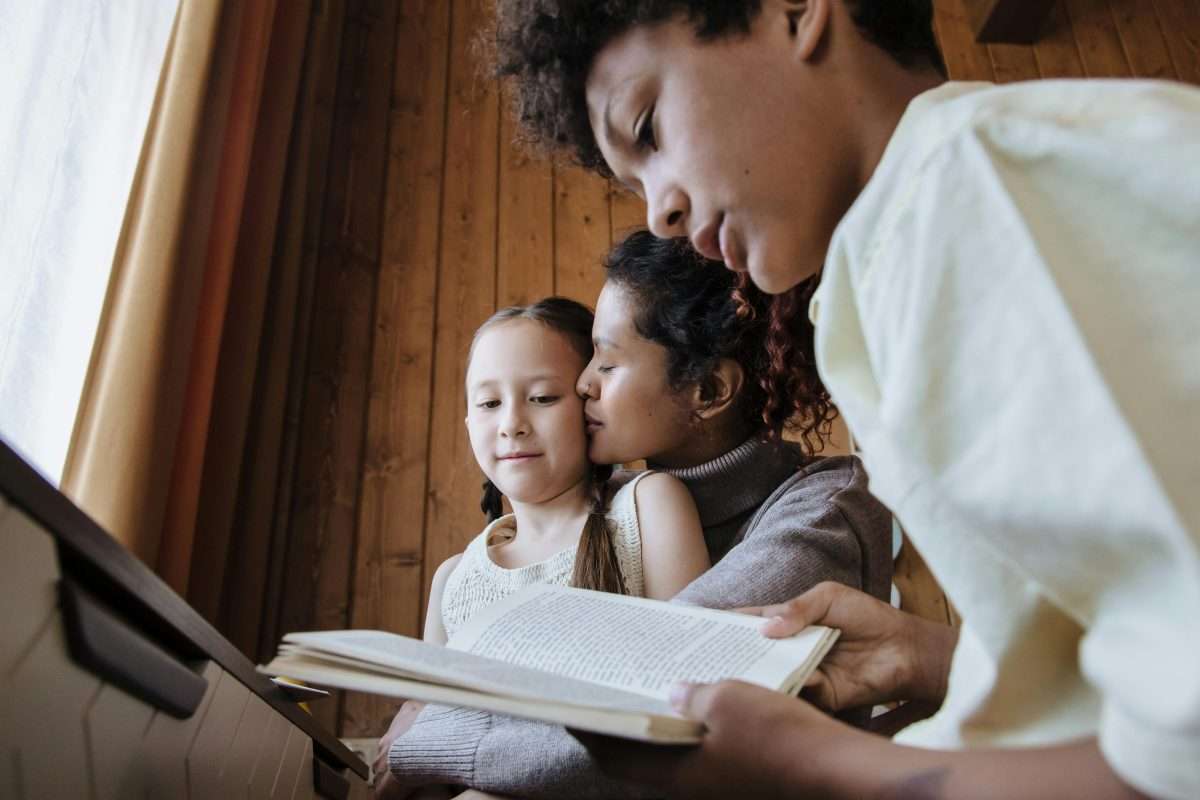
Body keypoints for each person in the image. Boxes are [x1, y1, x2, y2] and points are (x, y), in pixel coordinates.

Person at [484, 0, 1200, 798]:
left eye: (648, 127)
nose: (660, 209)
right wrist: (923, 656)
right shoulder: (896, 256)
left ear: (795, 12)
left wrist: (811, 766)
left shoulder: (967, 190)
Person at [376, 231, 895, 798]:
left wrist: (425, 736)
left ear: (709, 389)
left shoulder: (820, 512)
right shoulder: (608, 510)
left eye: (608, 362)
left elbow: (652, 701)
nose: (582, 382)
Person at [373, 296, 712, 796]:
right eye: (489, 403)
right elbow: (424, 750)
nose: (511, 422)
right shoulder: (454, 581)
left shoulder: (647, 508)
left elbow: (689, 703)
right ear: (468, 423)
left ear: (590, 405)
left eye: (543, 398)